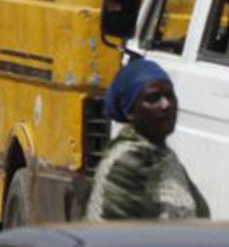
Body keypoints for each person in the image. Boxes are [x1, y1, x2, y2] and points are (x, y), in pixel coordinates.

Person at [87, 57, 210, 221]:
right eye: (153, 98)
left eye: (169, 95)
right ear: (130, 112)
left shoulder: (163, 155)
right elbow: (116, 237)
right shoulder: (127, 162)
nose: (166, 104)